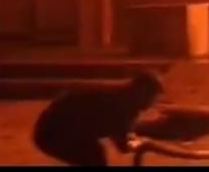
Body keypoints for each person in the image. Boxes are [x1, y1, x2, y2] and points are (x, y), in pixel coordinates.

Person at [32, 70, 164, 166]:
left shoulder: (121, 96)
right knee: (94, 157)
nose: (152, 103)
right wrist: (143, 143)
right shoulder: (124, 107)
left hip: (50, 127)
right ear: (142, 92)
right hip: (51, 133)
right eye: (152, 97)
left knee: (93, 154)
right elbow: (123, 146)